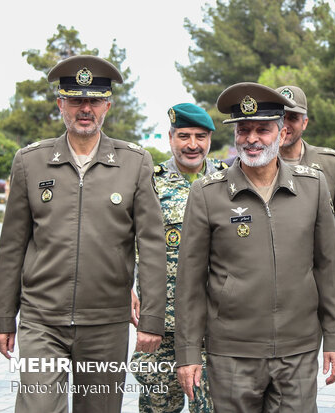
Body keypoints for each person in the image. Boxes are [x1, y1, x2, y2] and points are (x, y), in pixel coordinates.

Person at [0, 55, 166, 413]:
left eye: (94, 101)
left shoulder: (135, 162)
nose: (85, 109)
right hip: (42, 321)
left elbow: (151, 245)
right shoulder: (30, 162)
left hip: (106, 324)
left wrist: (151, 319)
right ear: (61, 104)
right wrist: (2, 317)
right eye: (75, 100)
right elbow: (11, 246)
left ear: (107, 106)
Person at [174, 82, 335, 412]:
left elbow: (329, 268)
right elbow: (190, 283)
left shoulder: (312, 186)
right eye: (244, 129)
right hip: (232, 353)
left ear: (282, 134)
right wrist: (188, 353)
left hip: (298, 350)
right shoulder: (208, 194)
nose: (252, 139)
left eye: (263, 129)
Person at [130, 103, 228, 412]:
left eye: (201, 136)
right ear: (171, 138)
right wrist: (126, 288)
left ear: (210, 139)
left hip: (215, 320)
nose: (192, 145)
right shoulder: (150, 181)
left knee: (212, 407)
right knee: (159, 405)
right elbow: (125, 239)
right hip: (164, 322)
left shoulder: (229, 181)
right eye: (183, 136)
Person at [275, 85, 335, 316]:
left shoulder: (330, 163)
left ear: (305, 122)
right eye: (280, 116)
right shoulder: (257, 163)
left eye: (293, 117)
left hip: (317, 277)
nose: (286, 124)